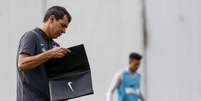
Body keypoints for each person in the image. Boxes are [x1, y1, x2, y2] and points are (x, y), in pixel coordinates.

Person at [16, 6, 72, 101]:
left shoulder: (55, 45)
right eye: (62, 25)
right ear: (51, 19)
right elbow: (22, 64)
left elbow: (56, 78)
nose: (64, 31)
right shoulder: (31, 36)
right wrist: (50, 54)